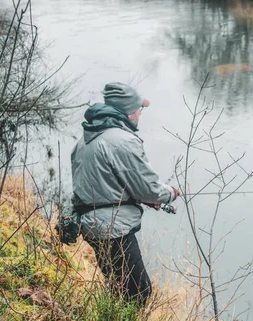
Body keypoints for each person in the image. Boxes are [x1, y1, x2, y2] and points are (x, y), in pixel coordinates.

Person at [70, 82, 179, 305]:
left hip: (92, 226)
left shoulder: (86, 139)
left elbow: (103, 186)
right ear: (128, 110)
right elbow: (148, 188)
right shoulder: (122, 141)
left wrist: (139, 199)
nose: (140, 113)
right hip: (112, 229)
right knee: (139, 293)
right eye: (139, 108)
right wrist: (169, 194)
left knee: (121, 289)